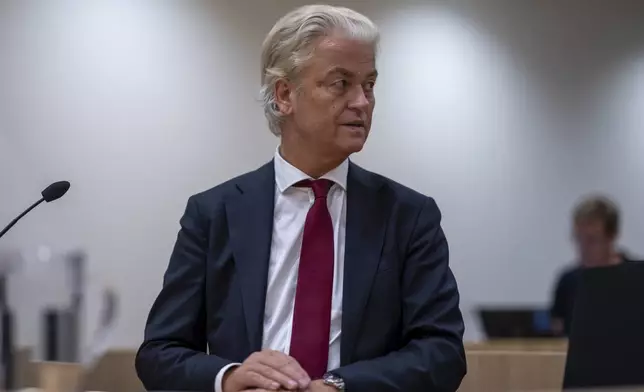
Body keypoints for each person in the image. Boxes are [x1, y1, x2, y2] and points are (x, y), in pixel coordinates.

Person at [135, 5, 466, 392]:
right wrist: (229, 378)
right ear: (285, 94)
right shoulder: (214, 214)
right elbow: (159, 353)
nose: (362, 101)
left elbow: (442, 353)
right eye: (341, 83)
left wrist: (340, 387)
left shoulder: (408, 216)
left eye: (370, 84)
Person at [550, 195, 633, 336]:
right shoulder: (568, 281)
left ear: (612, 236)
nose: (583, 248)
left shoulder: (636, 278)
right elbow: (558, 332)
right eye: (578, 238)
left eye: (592, 240)